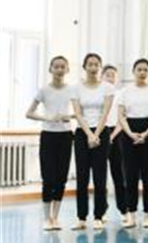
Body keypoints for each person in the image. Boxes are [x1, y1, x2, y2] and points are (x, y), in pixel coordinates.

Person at [26, 56, 74, 231]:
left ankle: (56, 217)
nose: (60, 69)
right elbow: (29, 113)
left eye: (63, 67)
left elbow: (78, 112)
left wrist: (70, 116)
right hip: (48, 135)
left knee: (61, 178)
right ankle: (46, 218)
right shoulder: (44, 90)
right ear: (51, 69)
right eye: (56, 66)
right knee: (49, 178)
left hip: (66, 136)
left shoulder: (72, 90)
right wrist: (48, 117)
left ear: (67, 69)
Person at [117, 58, 148, 229]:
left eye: (145, 69)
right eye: (139, 69)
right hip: (129, 133)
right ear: (133, 72)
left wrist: (145, 134)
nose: (142, 72)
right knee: (130, 176)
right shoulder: (124, 92)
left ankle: (147, 214)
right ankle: (131, 214)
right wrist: (130, 134)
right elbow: (121, 115)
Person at [70, 53, 114, 230]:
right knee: (82, 177)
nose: (93, 67)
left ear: (100, 67)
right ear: (84, 67)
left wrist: (96, 134)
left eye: (97, 64)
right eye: (90, 64)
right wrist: (89, 134)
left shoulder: (107, 88)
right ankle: (81, 217)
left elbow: (105, 112)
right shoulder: (76, 88)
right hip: (82, 133)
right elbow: (78, 113)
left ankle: (99, 215)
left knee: (99, 177)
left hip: (101, 133)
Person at [102, 65, 126, 221]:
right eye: (108, 75)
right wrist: (104, 135)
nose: (110, 77)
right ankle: (101, 211)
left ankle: (124, 210)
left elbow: (122, 118)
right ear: (102, 76)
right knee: (100, 176)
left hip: (117, 135)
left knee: (119, 174)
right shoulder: (98, 94)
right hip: (100, 133)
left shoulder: (121, 95)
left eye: (113, 75)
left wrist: (112, 136)